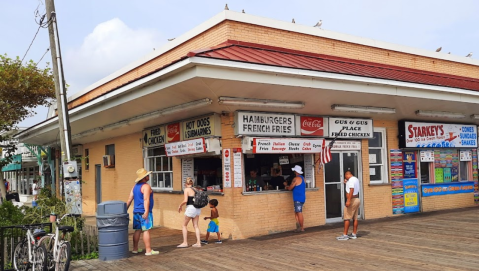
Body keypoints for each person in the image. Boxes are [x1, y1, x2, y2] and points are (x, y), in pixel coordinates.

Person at [126, 168, 159, 256]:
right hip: (144, 212)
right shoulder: (146, 186)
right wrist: (146, 212)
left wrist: (124, 210)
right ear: (144, 177)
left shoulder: (134, 187)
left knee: (137, 230)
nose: (148, 176)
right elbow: (146, 199)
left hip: (136, 212)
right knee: (146, 230)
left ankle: (135, 249)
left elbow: (129, 199)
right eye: (147, 175)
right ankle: (148, 250)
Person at [177, 177, 202, 248]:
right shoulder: (196, 189)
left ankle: (185, 242)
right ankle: (198, 243)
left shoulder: (186, 189)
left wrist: (180, 205)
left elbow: (185, 200)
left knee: (184, 225)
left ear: (186, 184)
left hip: (191, 208)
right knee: (196, 226)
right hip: (197, 208)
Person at [337, 171, 361, 241]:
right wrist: (346, 182)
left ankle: (345, 235)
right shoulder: (355, 179)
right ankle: (354, 234)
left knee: (347, 217)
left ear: (348, 174)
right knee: (355, 217)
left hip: (352, 200)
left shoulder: (350, 180)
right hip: (357, 199)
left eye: (345, 175)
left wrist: (348, 200)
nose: (345, 177)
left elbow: (351, 190)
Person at [284, 165, 306, 232]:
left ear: (296, 171)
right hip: (302, 197)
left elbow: (290, 188)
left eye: (294, 171)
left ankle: (302, 228)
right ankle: (298, 227)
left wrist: (286, 186)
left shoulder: (296, 179)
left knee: (299, 212)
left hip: (298, 198)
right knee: (296, 212)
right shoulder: (303, 178)